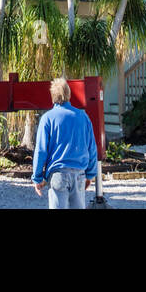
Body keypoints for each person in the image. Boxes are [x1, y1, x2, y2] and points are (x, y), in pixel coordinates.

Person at [31, 78, 99, 209]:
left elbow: (41, 151)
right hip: (79, 174)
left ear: (52, 96)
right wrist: (90, 174)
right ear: (69, 94)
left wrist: (38, 178)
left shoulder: (47, 118)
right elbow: (91, 147)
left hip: (58, 174)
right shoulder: (83, 117)